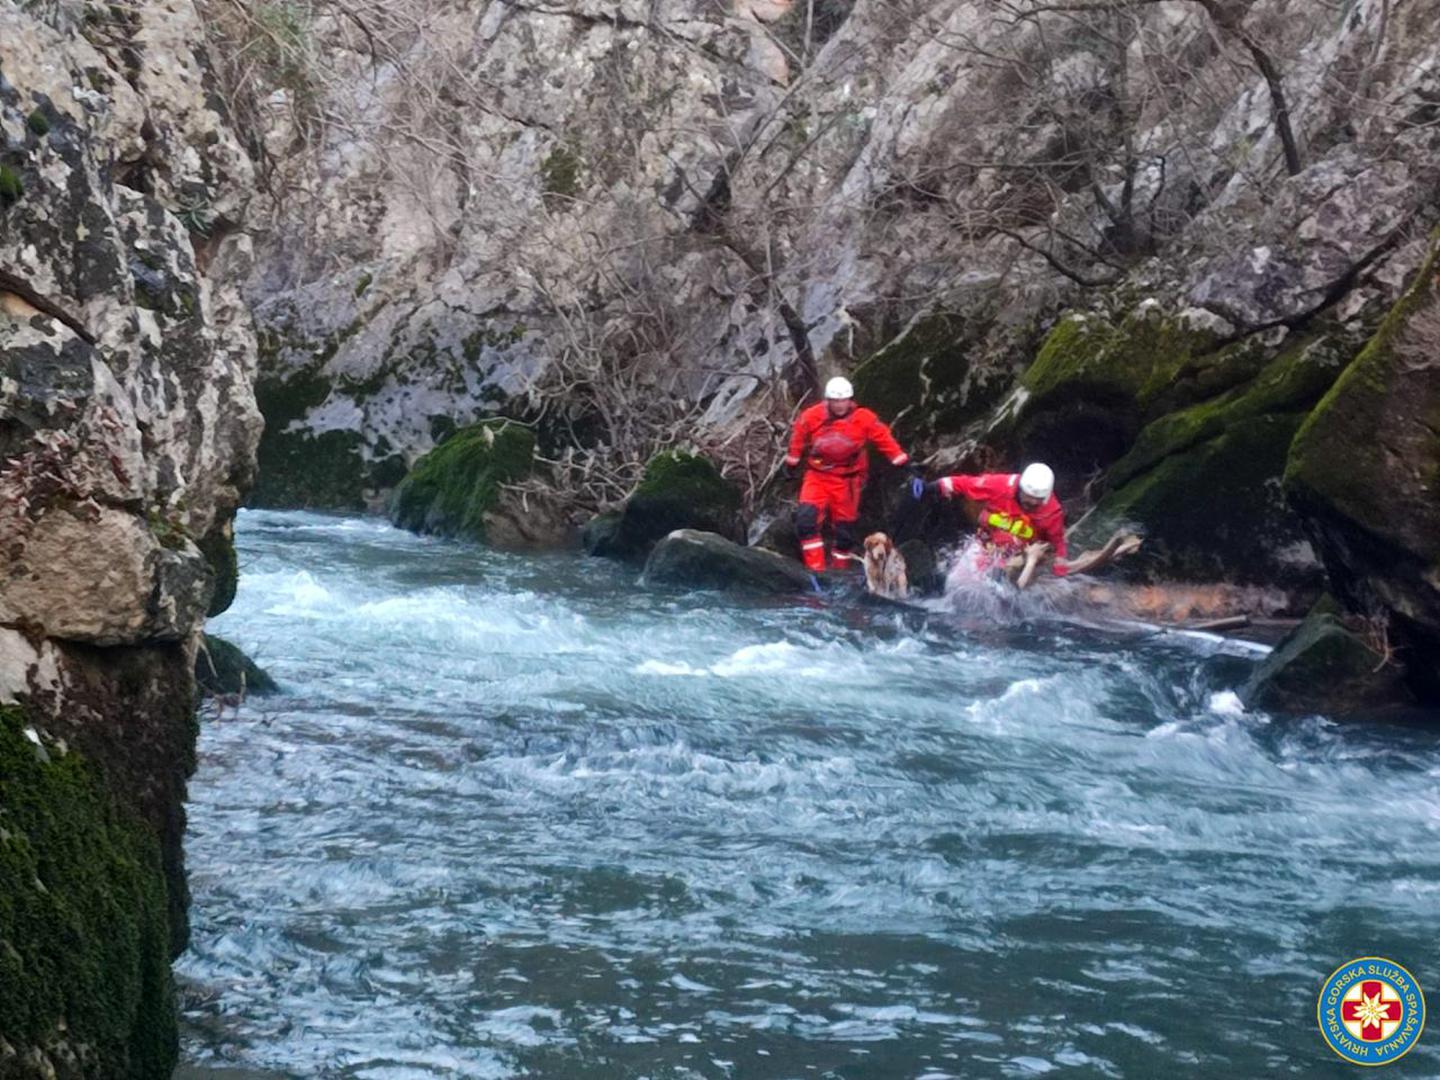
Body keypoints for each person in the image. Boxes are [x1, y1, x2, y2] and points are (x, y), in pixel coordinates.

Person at [784, 376, 918, 572]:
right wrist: (792, 463)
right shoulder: (811, 417)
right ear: (828, 400)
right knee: (806, 521)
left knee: (844, 533)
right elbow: (798, 439)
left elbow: (884, 440)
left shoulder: (864, 419)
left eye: (843, 400)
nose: (840, 405)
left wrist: (903, 462)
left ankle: (839, 571)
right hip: (818, 476)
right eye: (835, 401)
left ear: (850, 400)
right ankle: (815, 570)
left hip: (848, 480)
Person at [924, 462, 1069, 578]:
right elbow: (966, 483)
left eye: (1035, 502)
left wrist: (1059, 569)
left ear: (1045, 498)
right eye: (1027, 499)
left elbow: (1057, 541)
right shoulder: (1000, 485)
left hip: (1020, 558)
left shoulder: (1052, 512)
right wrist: (933, 487)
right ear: (1020, 489)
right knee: (958, 581)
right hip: (987, 545)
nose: (1031, 504)